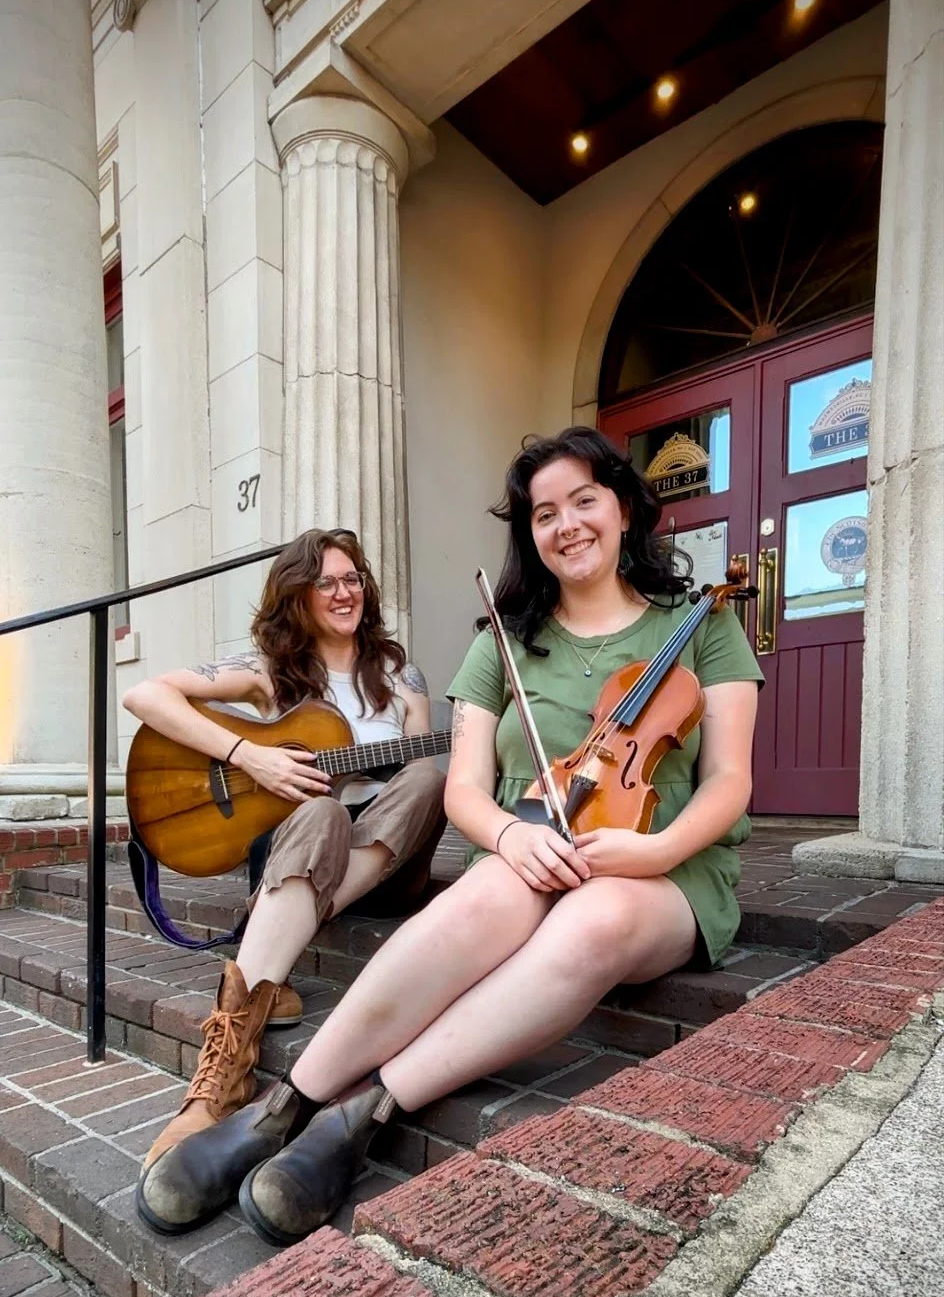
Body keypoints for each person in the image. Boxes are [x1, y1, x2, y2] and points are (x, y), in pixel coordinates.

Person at [136, 427, 763, 1244]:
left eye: (583, 501)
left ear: (623, 508)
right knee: (478, 901)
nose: (566, 524)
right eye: (544, 513)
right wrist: (506, 836)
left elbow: (729, 781)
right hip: (533, 840)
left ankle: (366, 1109)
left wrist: (655, 850)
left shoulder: (702, 625)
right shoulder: (500, 641)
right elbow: (463, 788)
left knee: (594, 919)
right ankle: (283, 1106)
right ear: (528, 534)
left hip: (662, 874)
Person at [125, 528, 445, 1182]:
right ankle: (223, 1074)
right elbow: (145, 695)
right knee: (321, 808)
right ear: (296, 594)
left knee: (427, 777)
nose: (343, 591)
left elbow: (421, 760)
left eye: (352, 578)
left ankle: (278, 930)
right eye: (325, 581)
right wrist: (251, 756)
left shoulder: (398, 671)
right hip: (308, 845)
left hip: (384, 860)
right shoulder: (270, 672)